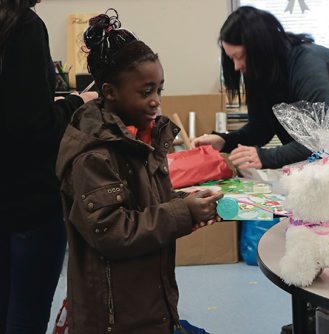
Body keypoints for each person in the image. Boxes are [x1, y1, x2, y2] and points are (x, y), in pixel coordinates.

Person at [55, 9, 223, 333]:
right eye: (146, 92)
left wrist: (188, 205)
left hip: (149, 304)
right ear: (109, 93)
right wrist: (181, 213)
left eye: (159, 89)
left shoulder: (143, 139)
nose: (156, 101)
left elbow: (148, 205)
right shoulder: (93, 157)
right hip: (115, 319)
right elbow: (113, 231)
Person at [192, 6, 329, 193]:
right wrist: (224, 141)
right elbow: (261, 130)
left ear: (260, 49)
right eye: (231, 59)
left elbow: (320, 138)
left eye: (239, 56)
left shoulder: (308, 66)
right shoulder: (260, 72)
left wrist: (266, 157)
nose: (237, 66)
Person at [0, 0, 97, 333]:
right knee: (25, 319)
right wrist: (75, 104)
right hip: (29, 204)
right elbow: (34, 130)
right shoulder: (22, 26)